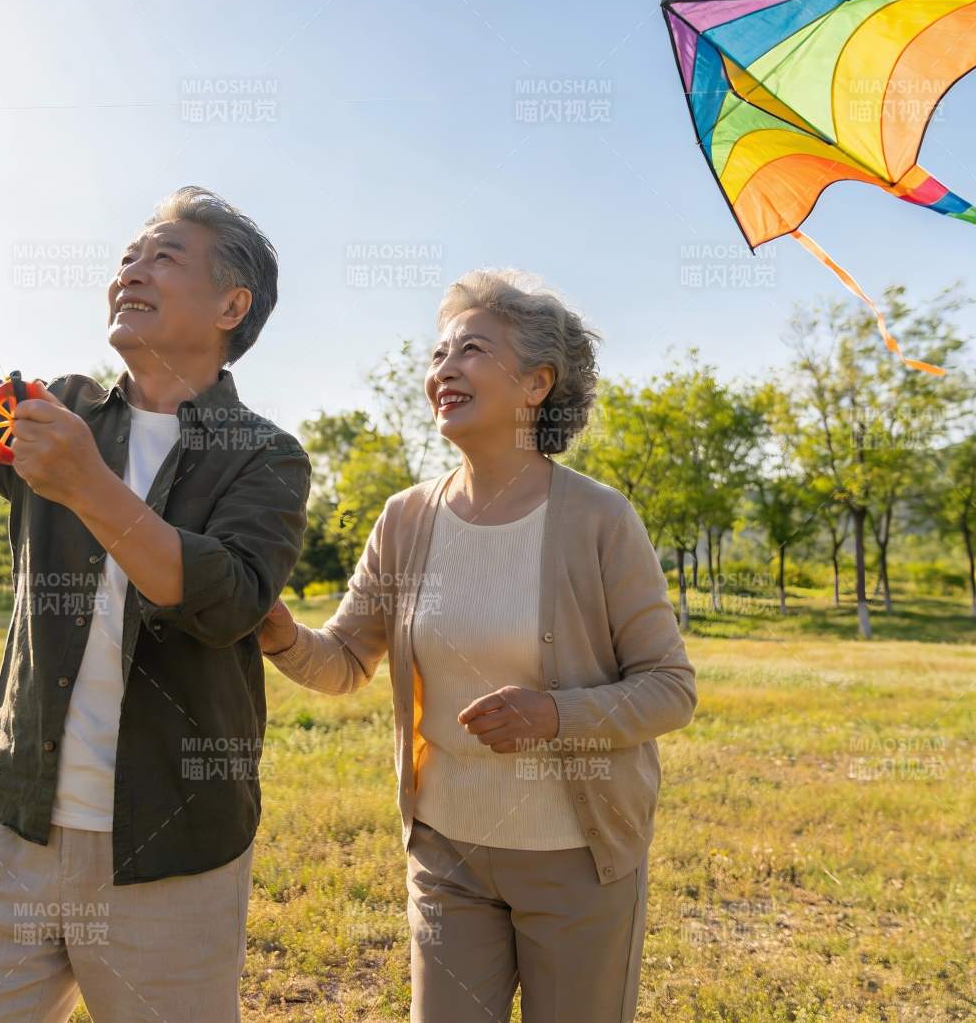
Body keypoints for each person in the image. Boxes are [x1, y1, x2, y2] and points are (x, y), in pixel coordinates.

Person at [0, 99, 309, 1022]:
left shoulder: (264, 454)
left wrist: (88, 486)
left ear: (230, 305)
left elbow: (227, 600)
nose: (131, 266)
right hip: (13, 832)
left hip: (173, 852)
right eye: (128, 253)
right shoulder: (54, 413)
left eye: (164, 254)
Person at [257, 268, 696, 1022]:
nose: (443, 370)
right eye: (438, 354)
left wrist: (553, 715)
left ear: (536, 384)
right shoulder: (405, 519)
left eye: (471, 349)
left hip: (577, 858)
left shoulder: (599, 519)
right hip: (445, 852)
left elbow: (670, 687)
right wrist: (277, 630)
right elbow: (345, 660)